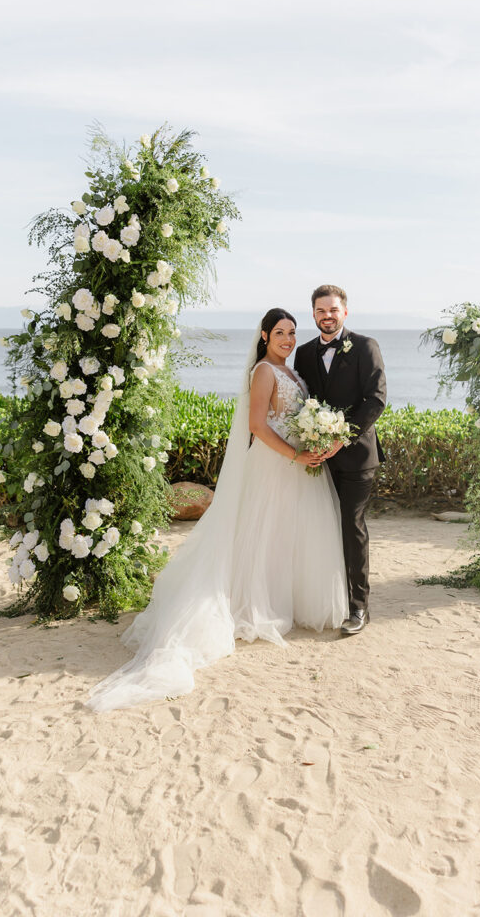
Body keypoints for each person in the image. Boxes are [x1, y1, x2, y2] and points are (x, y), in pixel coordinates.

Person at [87, 308, 347, 712]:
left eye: (293, 333)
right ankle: (256, 605)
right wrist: (297, 454)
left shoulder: (294, 374)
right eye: (280, 332)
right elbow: (258, 427)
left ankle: (286, 601)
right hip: (274, 465)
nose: (288, 339)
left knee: (287, 535)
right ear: (264, 335)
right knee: (264, 533)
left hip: (296, 467)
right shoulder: (263, 372)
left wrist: (313, 441)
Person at [294, 285, 387, 635]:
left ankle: (358, 609)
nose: (327, 316)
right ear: (313, 314)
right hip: (318, 458)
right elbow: (305, 402)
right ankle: (323, 601)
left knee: (351, 527)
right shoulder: (303, 354)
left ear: (344, 312)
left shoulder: (365, 347)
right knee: (318, 528)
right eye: (320, 310)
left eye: (332, 310)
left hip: (357, 458)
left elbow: (376, 399)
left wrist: (340, 438)